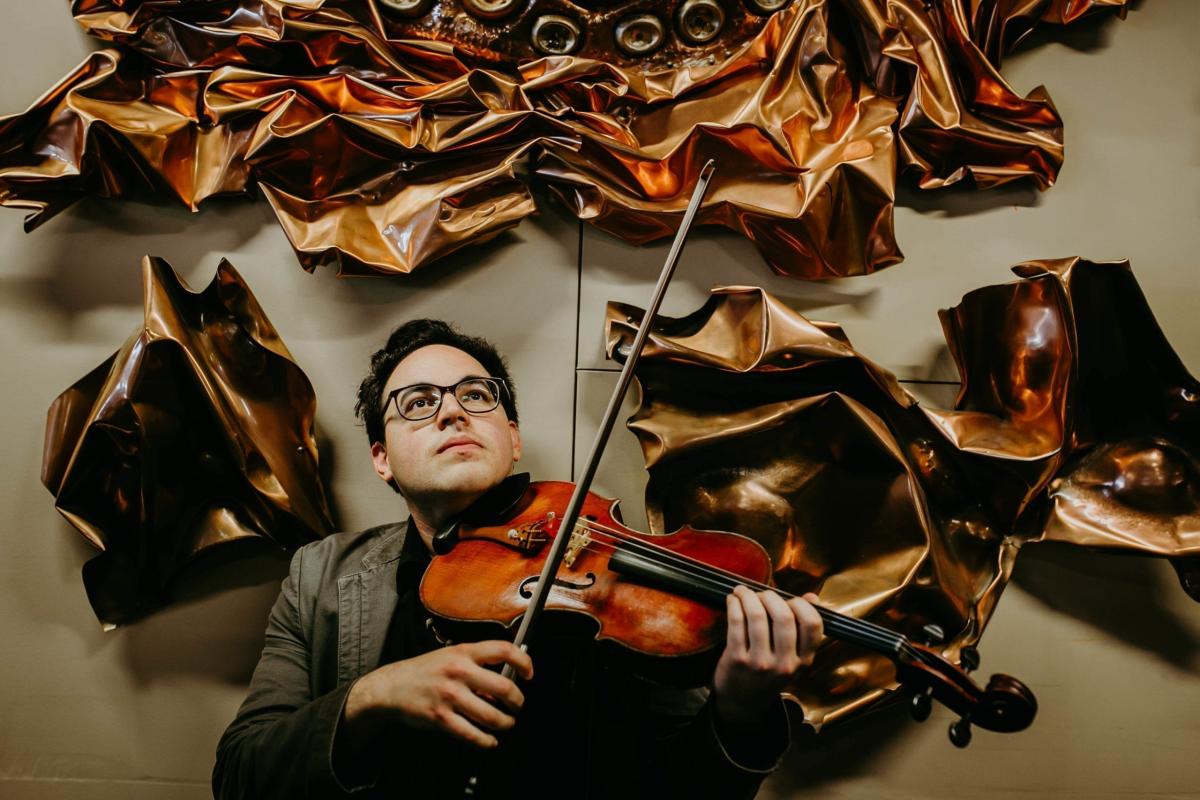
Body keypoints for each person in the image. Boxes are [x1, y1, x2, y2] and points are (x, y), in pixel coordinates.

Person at [213, 319, 824, 799]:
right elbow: (241, 774)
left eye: (477, 396)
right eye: (418, 403)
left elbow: (677, 790)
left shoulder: (609, 579)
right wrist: (371, 696)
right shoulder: (320, 576)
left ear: (512, 438)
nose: (453, 411)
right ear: (382, 458)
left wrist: (741, 709)